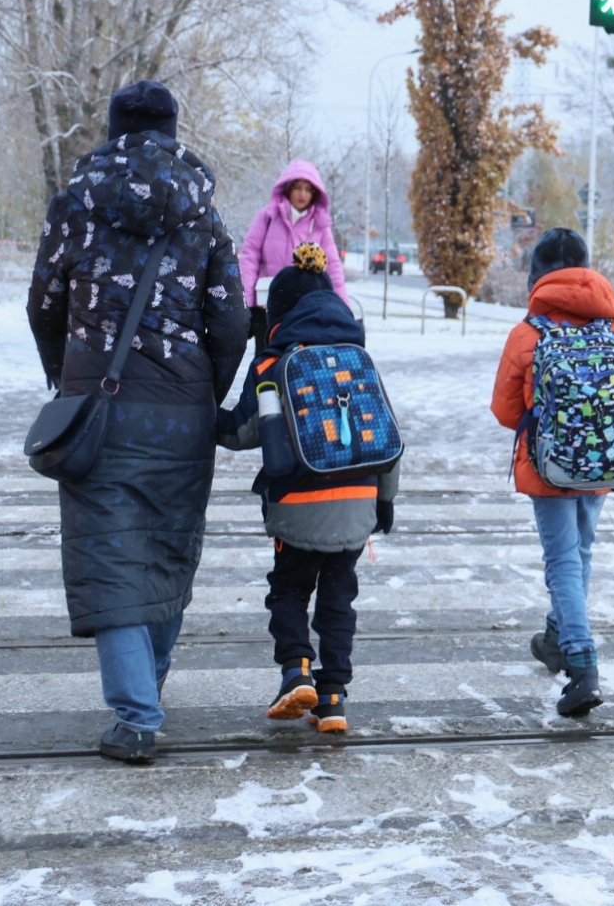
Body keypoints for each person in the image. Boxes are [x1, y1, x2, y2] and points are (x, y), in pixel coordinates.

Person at [26, 80, 249, 764]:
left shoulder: (75, 204)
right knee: (166, 547)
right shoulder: (203, 214)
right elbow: (231, 320)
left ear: (113, 129)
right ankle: (148, 681)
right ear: (173, 131)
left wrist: (66, 374)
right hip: (182, 410)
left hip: (100, 403)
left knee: (110, 552)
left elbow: (43, 302)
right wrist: (206, 391)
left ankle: (135, 713)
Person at [216, 244, 398, 734]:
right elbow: (386, 436)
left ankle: (296, 672)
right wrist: (384, 502)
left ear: (279, 314)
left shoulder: (273, 364)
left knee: (290, 590)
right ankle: (333, 697)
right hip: (358, 506)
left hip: (296, 505)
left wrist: (203, 414)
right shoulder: (360, 359)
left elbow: (242, 432)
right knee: (339, 599)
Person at [490, 228, 614, 718]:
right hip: (605, 463)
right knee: (579, 552)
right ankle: (557, 637)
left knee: (561, 559)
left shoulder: (528, 334)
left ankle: (582, 666)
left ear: (536, 276)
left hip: (550, 468)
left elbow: (504, 410)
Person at [239, 161, 350, 355]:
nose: (302, 194)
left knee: (300, 361)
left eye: (308, 189)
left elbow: (333, 268)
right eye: (297, 187)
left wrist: (344, 310)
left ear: (315, 193)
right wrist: (245, 301)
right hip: (267, 307)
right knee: (267, 359)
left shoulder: (320, 225)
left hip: (304, 311)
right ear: (287, 188)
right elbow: (250, 256)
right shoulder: (268, 216)